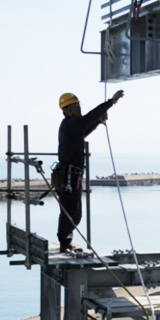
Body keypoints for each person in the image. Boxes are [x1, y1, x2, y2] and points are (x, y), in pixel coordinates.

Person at [55, 90, 124, 252]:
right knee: (71, 211)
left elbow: (84, 130)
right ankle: (64, 242)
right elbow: (88, 119)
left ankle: (65, 240)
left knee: (73, 211)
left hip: (72, 174)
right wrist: (110, 103)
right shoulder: (71, 123)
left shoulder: (72, 126)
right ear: (67, 111)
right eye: (75, 107)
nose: (78, 109)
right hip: (69, 175)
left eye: (78, 106)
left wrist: (99, 121)